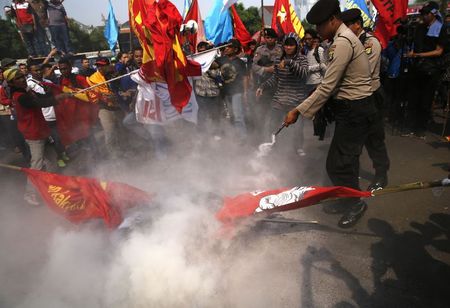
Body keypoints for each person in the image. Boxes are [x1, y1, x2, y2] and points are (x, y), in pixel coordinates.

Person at [283, 0, 376, 228]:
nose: (318, 31)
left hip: (356, 108)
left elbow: (327, 86)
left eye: (321, 26)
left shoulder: (343, 42)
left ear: (334, 20)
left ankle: (355, 203)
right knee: (340, 161)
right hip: (349, 108)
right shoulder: (338, 40)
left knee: (341, 163)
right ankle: (346, 200)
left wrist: (297, 110)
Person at [341, 8, 390, 191]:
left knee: (374, 138)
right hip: (353, 98)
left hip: (371, 96)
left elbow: (363, 72)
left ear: (357, 24)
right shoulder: (347, 43)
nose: (344, 30)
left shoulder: (370, 42)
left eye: (347, 26)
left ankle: (381, 174)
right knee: (352, 140)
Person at [4, 68, 66, 205]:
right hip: (33, 134)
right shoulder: (19, 96)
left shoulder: (27, 91)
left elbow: (41, 98)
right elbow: (39, 103)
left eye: (22, 76)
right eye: (18, 78)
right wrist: (57, 98)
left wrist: (59, 94)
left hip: (41, 129)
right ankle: (30, 193)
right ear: (12, 82)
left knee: (52, 160)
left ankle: (52, 186)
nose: (22, 79)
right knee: (37, 164)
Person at [256, 33, 310, 156]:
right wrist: (262, 86)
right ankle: (274, 146)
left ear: (297, 46)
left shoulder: (302, 59)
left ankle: (298, 147)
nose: (288, 47)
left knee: (297, 128)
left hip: (296, 101)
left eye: (291, 45)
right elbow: (275, 78)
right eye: (286, 44)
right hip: (279, 99)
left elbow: (303, 74)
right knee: (273, 124)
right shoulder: (278, 59)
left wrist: (289, 62)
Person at [404, 1, 446, 138]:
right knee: (413, 98)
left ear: (433, 14)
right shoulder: (419, 28)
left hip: (431, 70)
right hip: (416, 68)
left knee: (425, 100)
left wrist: (418, 55)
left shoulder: (441, 28)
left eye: (426, 13)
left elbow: (439, 51)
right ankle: (409, 127)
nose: (424, 16)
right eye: (423, 13)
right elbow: (414, 45)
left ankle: (420, 129)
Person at [27, 63, 69, 167]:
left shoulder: (48, 82)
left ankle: (62, 153)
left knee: (60, 136)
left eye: (39, 70)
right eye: (35, 70)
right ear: (30, 72)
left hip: (56, 114)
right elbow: (38, 100)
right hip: (45, 117)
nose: (38, 72)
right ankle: (58, 158)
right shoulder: (29, 85)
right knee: (55, 139)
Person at [216, 39, 248, 140]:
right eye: (226, 47)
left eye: (229, 47)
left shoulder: (240, 63)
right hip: (224, 93)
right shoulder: (221, 60)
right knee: (228, 116)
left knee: (238, 116)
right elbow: (209, 65)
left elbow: (245, 78)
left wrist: (245, 93)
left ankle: (242, 138)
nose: (226, 49)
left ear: (235, 49)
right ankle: (230, 137)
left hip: (237, 92)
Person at [252, 28, 283, 128]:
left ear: (275, 38)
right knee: (263, 111)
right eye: (267, 37)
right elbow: (253, 66)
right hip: (264, 83)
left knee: (278, 111)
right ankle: (262, 134)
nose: (269, 39)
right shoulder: (260, 50)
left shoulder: (281, 49)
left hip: (279, 84)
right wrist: (266, 69)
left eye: (271, 37)